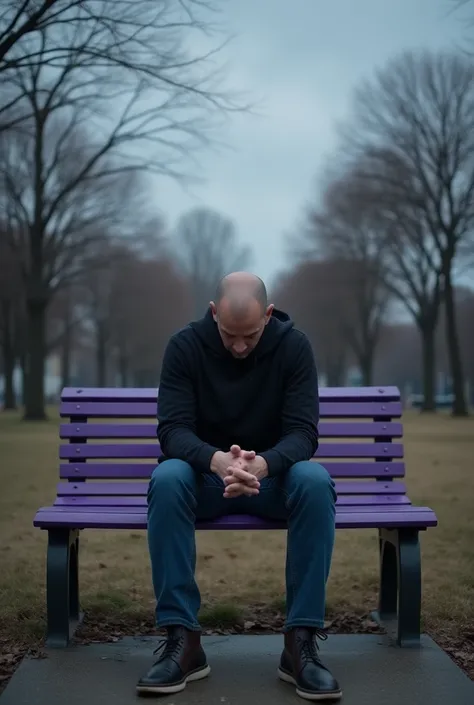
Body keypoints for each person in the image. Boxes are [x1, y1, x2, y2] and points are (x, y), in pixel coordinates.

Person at [136, 272, 341, 701]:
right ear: (214, 314)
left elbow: (304, 433)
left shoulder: (294, 347)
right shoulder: (185, 347)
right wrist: (219, 461)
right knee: (168, 476)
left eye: (250, 334)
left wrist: (262, 465)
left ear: (268, 315)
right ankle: (183, 641)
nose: (240, 346)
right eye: (230, 334)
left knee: (316, 480)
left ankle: (299, 644)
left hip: (271, 480)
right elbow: (172, 430)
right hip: (204, 480)